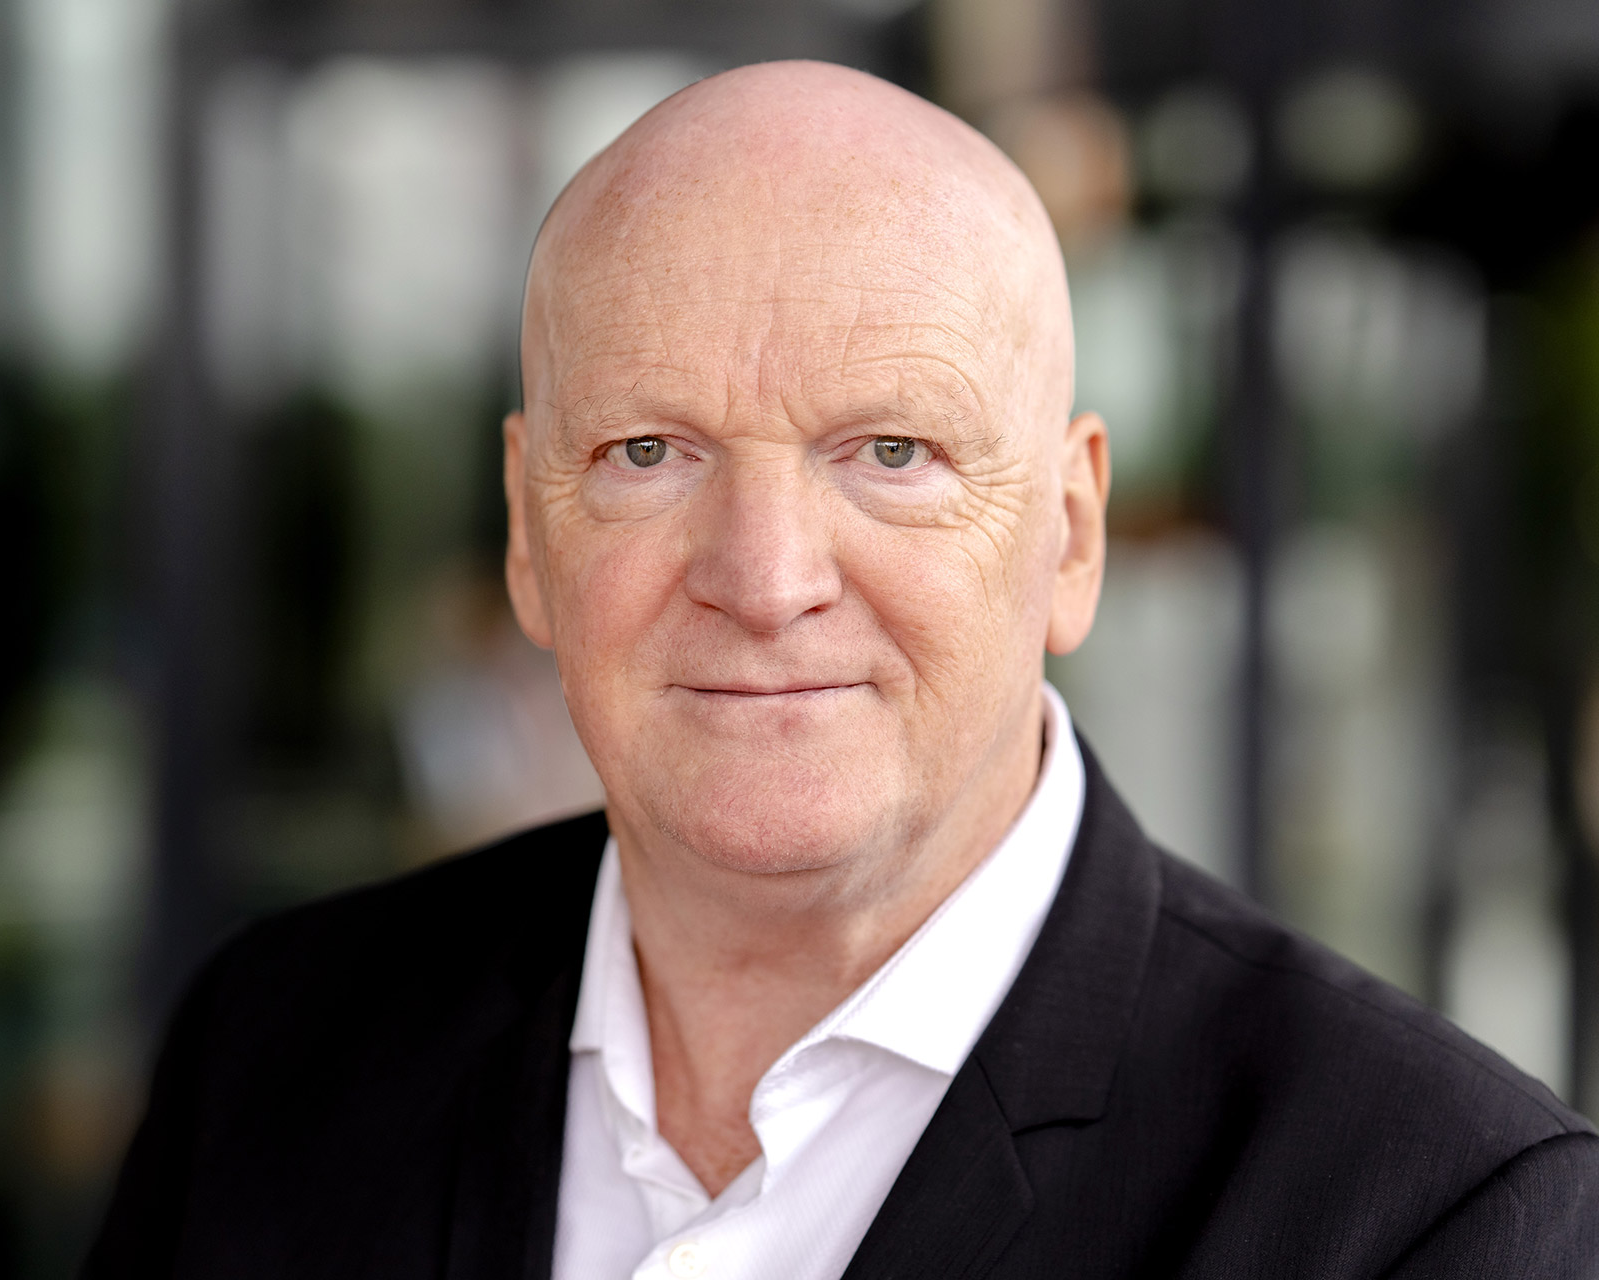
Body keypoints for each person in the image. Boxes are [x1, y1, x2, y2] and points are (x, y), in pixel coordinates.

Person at [84, 62, 1599, 1279]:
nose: (764, 582)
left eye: (890, 452)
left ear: (1070, 538)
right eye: (648, 452)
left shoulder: (1427, 1218)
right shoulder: (272, 1054)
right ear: (528, 537)